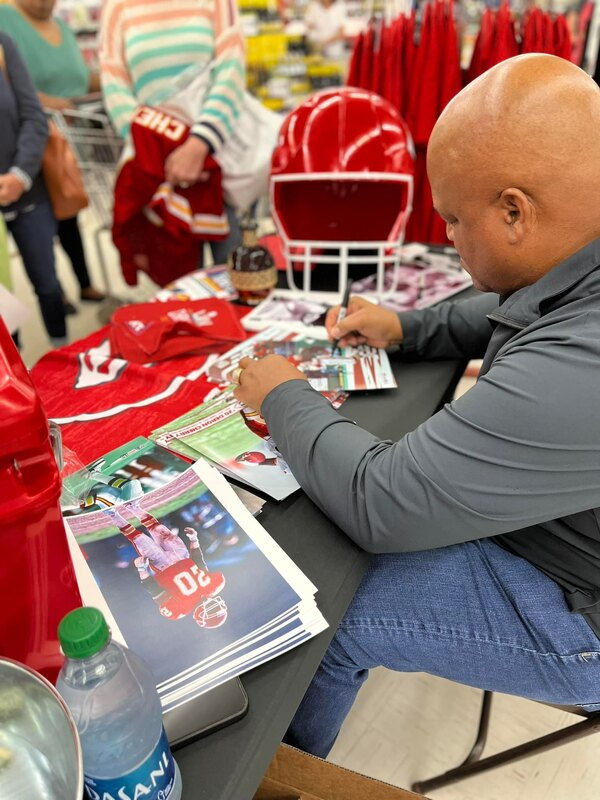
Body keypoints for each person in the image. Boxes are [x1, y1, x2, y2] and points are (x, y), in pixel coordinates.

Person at [232, 53, 600, 756]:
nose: (451, 242)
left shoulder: (587, 360)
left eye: (456, 222)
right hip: (568, 535)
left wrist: (281, 392)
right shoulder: (580, 257)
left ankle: (289, 775)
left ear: (516, 212)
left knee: (332, 610)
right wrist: (410, 326)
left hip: (583, 610)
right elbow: (519, 308)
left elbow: (383, 503)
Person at [99, 0, 246, 265]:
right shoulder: (117, 8)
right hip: (157, 169)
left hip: (217, 164)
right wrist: (157, 148)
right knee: (179, 288)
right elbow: (114, 85)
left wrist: (201, 142)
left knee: (237, 276)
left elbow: (231, 68)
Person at [0, 0, 106, 312]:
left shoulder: (60, 25)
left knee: (67, 207)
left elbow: (82, 75)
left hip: (68, 136)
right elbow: (18, 85)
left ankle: (79, 283)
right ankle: (53, 291)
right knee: (45, 219)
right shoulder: (6, 19)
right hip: (31, 138)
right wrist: (49, 103)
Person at [0, 31, 67, 347]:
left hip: (28, 193)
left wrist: (20, 175)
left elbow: (33, 115)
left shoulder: (3, 42)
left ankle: (62, 354)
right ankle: (13, 381)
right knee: (3, 303)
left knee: (49, 284)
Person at [104, 503, 227, 627]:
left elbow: (155, 591)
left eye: (212, 610)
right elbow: (199, 563)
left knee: (138, 537)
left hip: (162, 565)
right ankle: (133, 506)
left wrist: (142, 570)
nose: (214, 604)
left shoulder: (180, 610)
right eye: (218, 607)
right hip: (181, 555)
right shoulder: (213, 586)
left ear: (201, 616)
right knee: (157, 528)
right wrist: (194, 540)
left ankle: (113, 514)